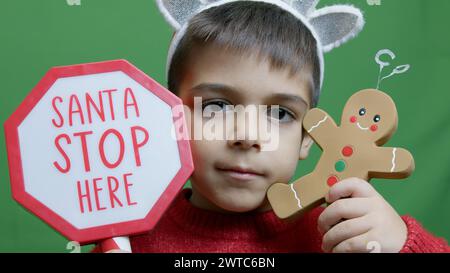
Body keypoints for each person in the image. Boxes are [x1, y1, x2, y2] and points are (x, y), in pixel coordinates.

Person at [96, 0, 449, 253]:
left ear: (308, 137)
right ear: (170, 118)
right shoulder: (130, 234)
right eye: (217, 106)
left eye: (280, 114)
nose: (248, 136)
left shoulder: (342, 234)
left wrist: (404, 244)